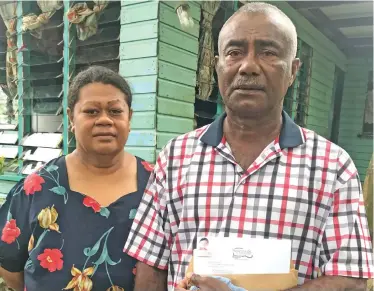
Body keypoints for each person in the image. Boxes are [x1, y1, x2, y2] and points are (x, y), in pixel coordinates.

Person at [124, 2, 374, 291]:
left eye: (268, 52)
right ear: (218, 66)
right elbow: (151, 263)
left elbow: (351, 279)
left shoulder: (332, 167)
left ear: (293, 71)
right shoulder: (175, 157)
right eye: (234, 52)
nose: (249, 66)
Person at [0, 66, 154, 291]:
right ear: (71, 118)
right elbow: (10, 265)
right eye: (91, 111)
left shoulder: (156, 185)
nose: (104, 120)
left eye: (115, 111)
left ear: (129, 118)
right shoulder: (37, 187)